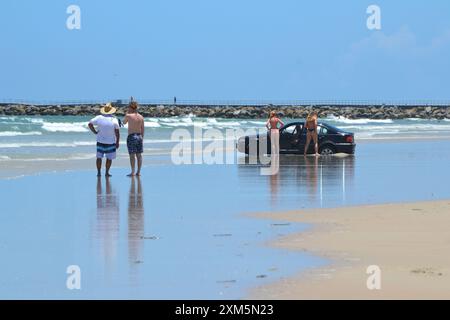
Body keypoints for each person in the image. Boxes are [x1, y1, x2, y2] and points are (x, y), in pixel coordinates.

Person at [88, 103, 120, 177]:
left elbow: (90, 124)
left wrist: (95, 132)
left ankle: (99, 172)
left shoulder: (99, 117)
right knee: (109, 158)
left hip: (100, 142)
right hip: (110, 142)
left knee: (99, 158)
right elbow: (117, 132)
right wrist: (117, 142)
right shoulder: (114, 119)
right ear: (111, 111)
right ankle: (107, 172)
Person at [123, 99, 144, 177]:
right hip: (139, 136)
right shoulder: (141, 117)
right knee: (139, 155)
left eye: (128, 107)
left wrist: (127, 113)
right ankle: (138, 172)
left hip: (132, 136)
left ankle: (132, 172)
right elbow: (142, 129)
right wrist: (142, 138)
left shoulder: (128, 115)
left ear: (131, 108)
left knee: (132, 155)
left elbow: (123, 123)